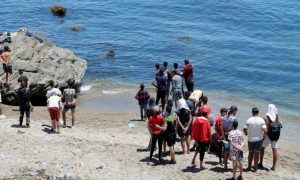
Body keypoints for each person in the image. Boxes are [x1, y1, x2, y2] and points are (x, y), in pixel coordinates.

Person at [243, 107, 267, 172]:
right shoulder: (262, 120)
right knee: (257, 153)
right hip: (259, 139)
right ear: (258, 113)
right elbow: (265, 130)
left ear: (252, 112)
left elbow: (245, 129)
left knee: (250, 153)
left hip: (251, 139)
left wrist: (246, 133)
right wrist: (264, 135)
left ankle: (249, 166)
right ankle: (255, 168)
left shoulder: (249, 120)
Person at [259, 104, 281, 171]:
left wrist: (264, 136)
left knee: (262, 148)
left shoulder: (266, 117)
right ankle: (273, 167)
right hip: (275, 136)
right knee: (274, 150)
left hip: (268, 136)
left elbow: (265, 129)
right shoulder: (276, 117)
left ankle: (261, 163)